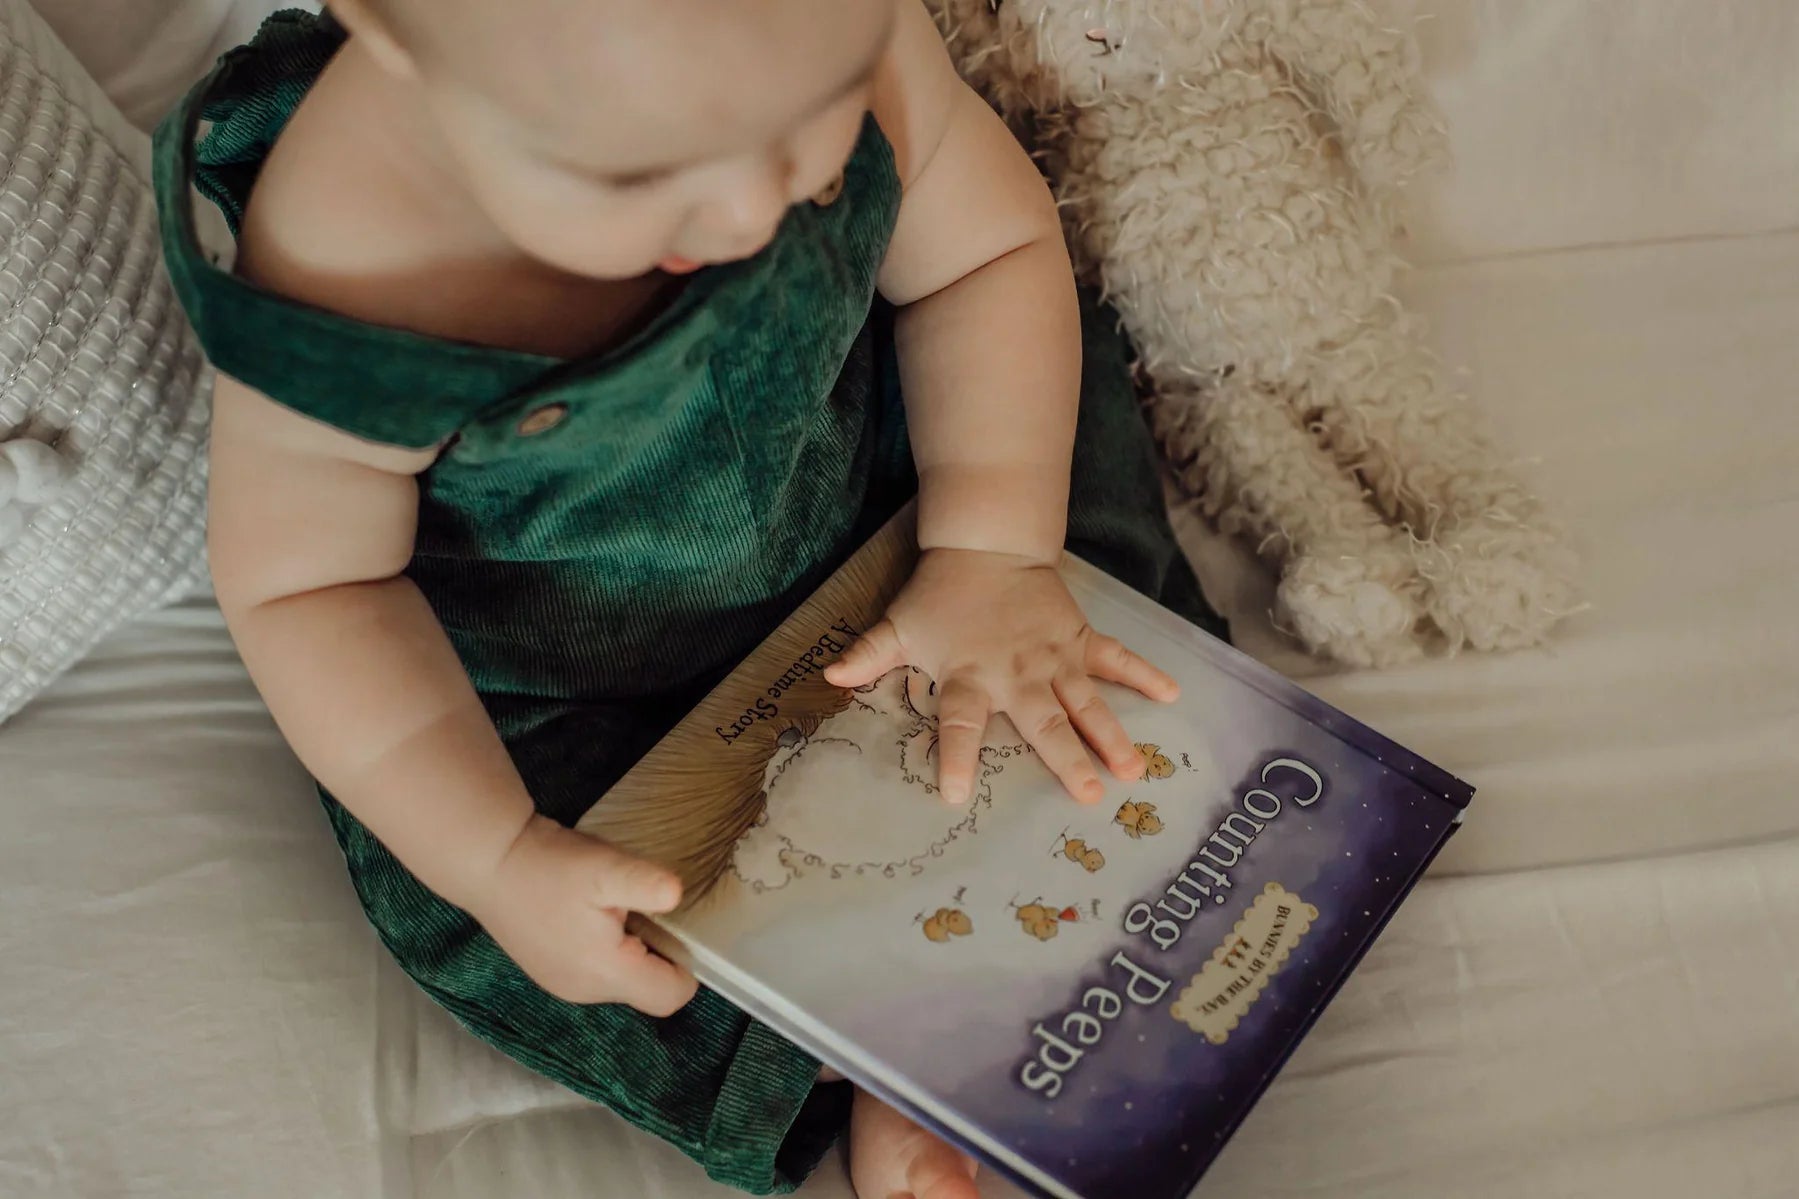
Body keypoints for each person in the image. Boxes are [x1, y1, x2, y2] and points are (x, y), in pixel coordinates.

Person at [153, 2, 1227, 1195]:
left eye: (807, 120)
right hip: (586, 680)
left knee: (1069, 531)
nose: (746, 211)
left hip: (886, 487)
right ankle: (888, 1050)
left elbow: (982, 256)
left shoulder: (823, 34)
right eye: (642, 172)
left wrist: (991, 545)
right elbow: (312, 584)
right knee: (586, 929)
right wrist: (502, 855)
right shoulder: (349, 260)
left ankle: (1014, 893)